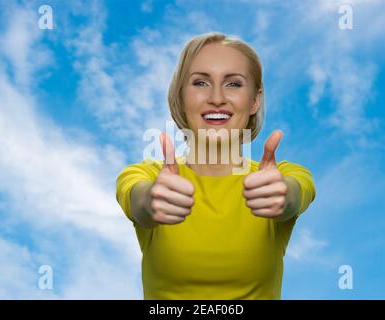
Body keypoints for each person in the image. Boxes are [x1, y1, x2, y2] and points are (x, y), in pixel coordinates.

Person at [116, 32, 316, 300]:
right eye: (200, 82)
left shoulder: (280, 177)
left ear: (254, 101)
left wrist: (285, 196)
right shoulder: (147, 176)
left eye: (233, 84)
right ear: (181, 96)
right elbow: (137, 199)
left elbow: (296, 191)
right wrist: (151, 201)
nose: (217, 98)